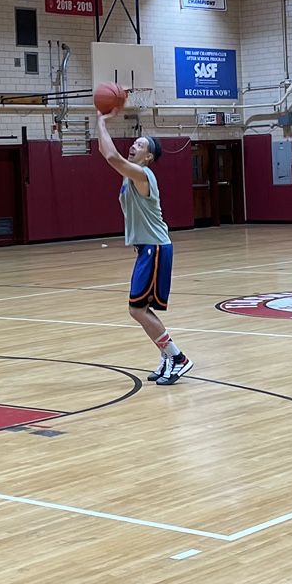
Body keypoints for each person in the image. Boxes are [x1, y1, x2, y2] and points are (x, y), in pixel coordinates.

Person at [96, 117, 191, 385]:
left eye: (141, 144)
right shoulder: (130, 174)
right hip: (147, 249)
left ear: (148, 157)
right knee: (139, 309)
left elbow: (111, 156)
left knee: (137, 309)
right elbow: (108, 153)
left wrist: (102, 120)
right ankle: (167, 356)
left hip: (156, 247)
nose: (135, 145)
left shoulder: (143, 174)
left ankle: (177, 357)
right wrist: (99, 120)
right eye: (135, 142)